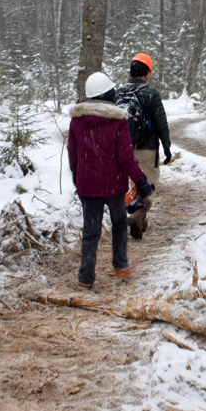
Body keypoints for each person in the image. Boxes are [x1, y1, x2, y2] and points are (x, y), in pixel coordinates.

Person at [68, 72, 155, 289]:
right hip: (113, 186)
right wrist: (142, 183)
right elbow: (126, 158)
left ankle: (85, 278)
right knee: (118, 225)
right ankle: (120, 263)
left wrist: (78, 178)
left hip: (87, 187)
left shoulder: (77, 121)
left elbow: (73, 153)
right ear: (109, 94)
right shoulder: (118, 120)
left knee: (90, 232)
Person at [117, 53, 172, 239]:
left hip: (125, 149)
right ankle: (138, 215)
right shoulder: (151, 94)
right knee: (150, 185)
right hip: (148, 148)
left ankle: (140, 219)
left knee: (136, 183)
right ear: (147, 72)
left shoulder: (119, 93)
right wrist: (167, 147)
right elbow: (161, 123)